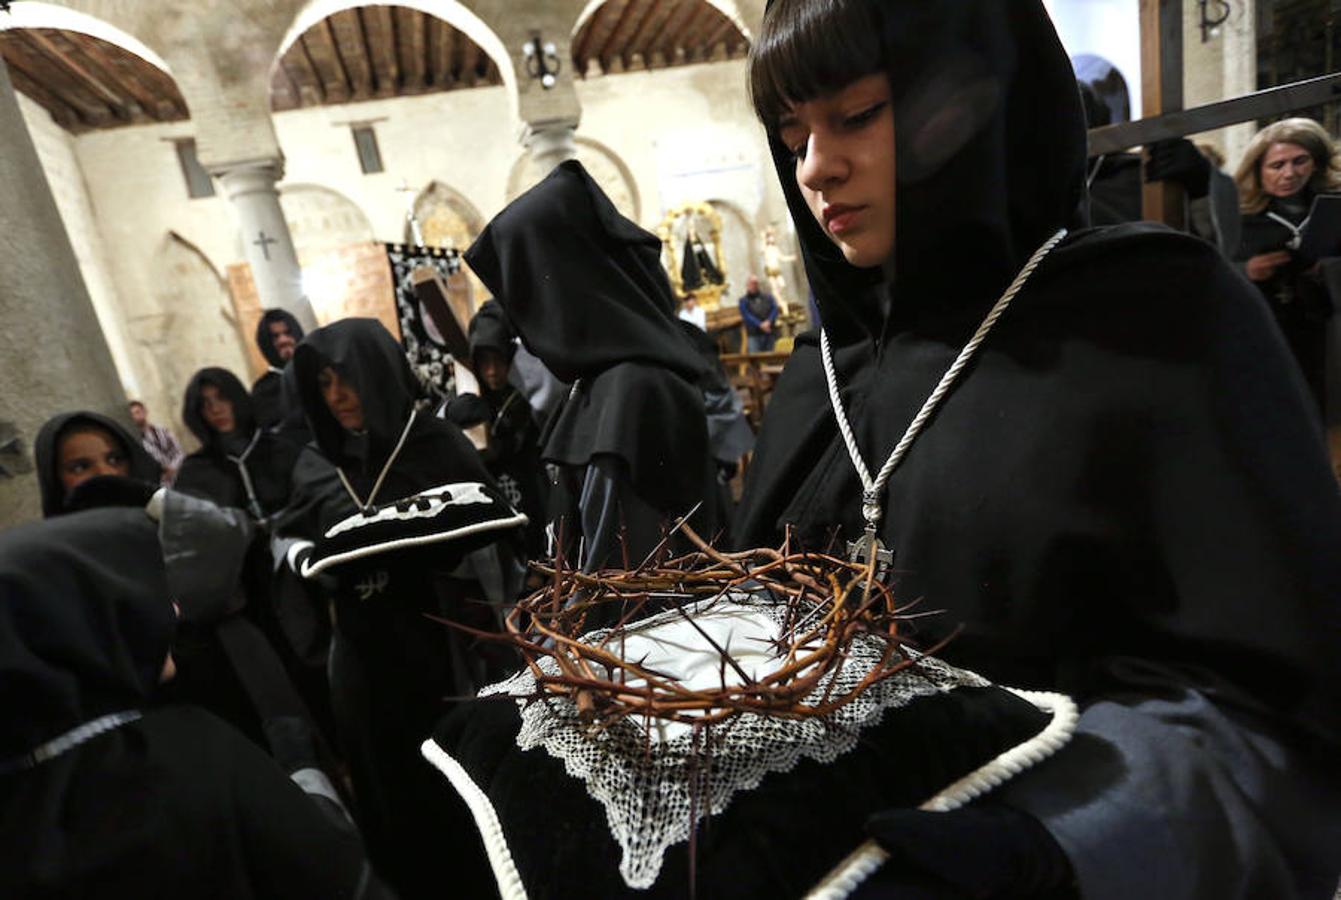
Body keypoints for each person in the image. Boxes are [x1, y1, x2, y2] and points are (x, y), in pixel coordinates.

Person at [737, 1, 1341, 898]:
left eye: (856, 115)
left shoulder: (1156, 319)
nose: (816, 167)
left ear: (969, 104)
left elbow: (1264, 701)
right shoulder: (818, 375)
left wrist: (1056, 842)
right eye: (792, 136)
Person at [0, 507, 394, 899]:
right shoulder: (189, 753)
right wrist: (303, 770)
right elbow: (335, 874)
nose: (172, 609)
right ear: (78, 624)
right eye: (142, 590)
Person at [276, 318, 522, 900]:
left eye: (348, 380)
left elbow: (496, 549)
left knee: (465, 792)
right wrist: (305, 557)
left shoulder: (436, 445)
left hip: (446, 654)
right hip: (363, 663)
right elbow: (285, 535)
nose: (336, 397)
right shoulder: (317, 462)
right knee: (393, 798)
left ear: (379, 374)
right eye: (325, 384)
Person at [465, 161, 717, 575]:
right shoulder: (597, 384)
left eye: (526, 299)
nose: (526, 335)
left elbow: (628, 587)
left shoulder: (634, 391)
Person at [1233, 117, 1341, 416]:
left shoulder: (1332, 208)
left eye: (1300, 161)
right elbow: (1212, 269)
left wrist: (1330, 267)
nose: (1289, 174)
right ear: (1258, 169)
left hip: (1324, 330)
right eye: (1277, 165)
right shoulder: (1238, 217)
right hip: (1265, 330)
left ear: (1317, 163)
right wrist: (1247, 270)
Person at [445, 300, 548, 558]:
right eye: (484, 362)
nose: (491, 371)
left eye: (498, 360)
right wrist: (454, 413)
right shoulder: (469, 393)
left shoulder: (529, 390)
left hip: (532, 487)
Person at [176, 367, 300, 521]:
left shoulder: (280, 449)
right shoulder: (195, 470)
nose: (216, 409)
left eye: (222, 398)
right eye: (205, 404)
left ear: (236, 399)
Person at [34, 410, 161, 518]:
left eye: (114, 460)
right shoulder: (56, 545)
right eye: (80, 468)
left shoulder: (169, 525)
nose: (105, 473)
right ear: (55, 479)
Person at [251, 308, 307, 436]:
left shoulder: (319, 372)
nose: (283, 340)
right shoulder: (263, 391)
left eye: (288, 333)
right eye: (275, 337)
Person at [128, 399, 184, 484]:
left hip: (178, 472)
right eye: (133, 414)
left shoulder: (162, 430)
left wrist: (173, 468)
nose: (136, 416)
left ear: (145, 411)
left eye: (138, 412)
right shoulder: (136, 439)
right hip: (160, 480)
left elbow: (178, 450)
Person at [738, 274, 780, 353]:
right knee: (756, 359)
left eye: (755, 283)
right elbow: (746, 315)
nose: (753, 285)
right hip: (754, 334)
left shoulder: (768, 297)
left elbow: (774, 309)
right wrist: (760, 324)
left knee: (772, 358)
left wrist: (769, 321)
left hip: (769, 332)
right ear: (747, 285)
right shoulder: (743, 300)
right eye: (751, 283)